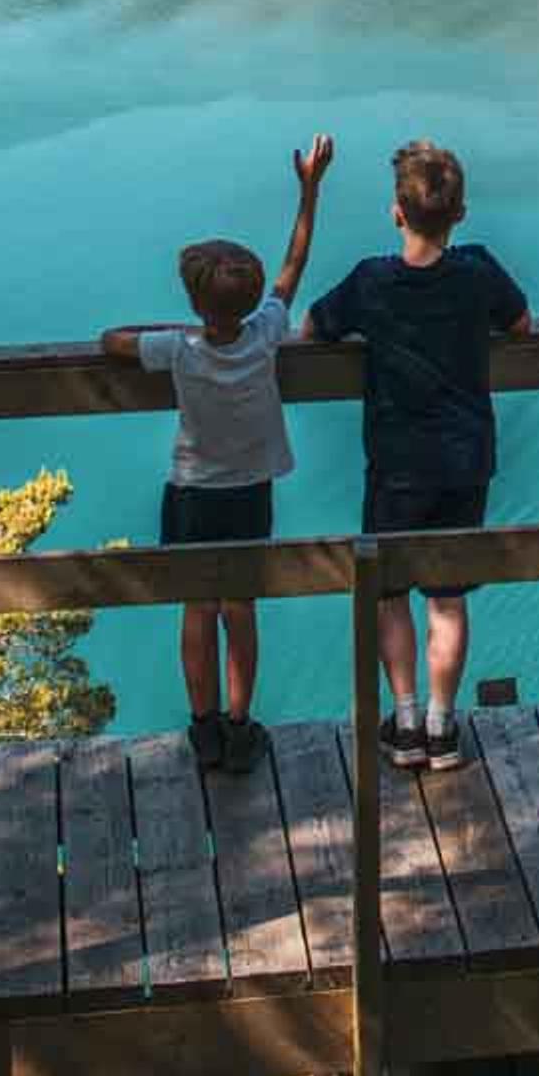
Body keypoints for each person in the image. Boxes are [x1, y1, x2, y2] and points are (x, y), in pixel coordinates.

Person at [101, 135, 330, 774]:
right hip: (249, 493)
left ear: (194, 302)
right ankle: (238, 722)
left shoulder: (177, 348)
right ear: (251, 301)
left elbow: (112, 342)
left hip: (191, 494)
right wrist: (309, 190)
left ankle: (201, 727)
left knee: (196, 607)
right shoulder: (265, 334)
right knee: (241, 608)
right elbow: (295, 265)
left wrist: (144, 332)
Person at [308, 139, 530, 772]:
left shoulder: (372, 281)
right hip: (464, 459)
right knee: (449, 597)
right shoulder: (477, 270)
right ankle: (441, 723)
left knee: (388, 592)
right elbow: (522, 326)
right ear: (460, 213)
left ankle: (403, 721)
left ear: (396, 214)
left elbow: (312, 328)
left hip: (397, 461)